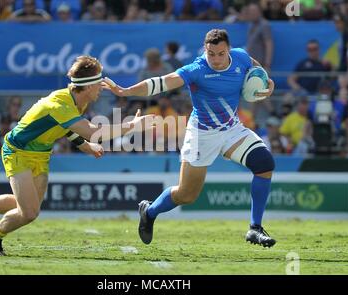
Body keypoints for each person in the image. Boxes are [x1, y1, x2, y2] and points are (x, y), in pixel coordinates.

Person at [0, 55, 153, 255]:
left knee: (28, 205)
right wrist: (131, 126)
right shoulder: (60, 104)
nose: (102, 86)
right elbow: (92, 131)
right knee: (29, 213)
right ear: (88, 86)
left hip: (41, 153)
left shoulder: (78, 100)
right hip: (18, 150)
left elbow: (66, 126)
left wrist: (83, 145)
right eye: (99, 82)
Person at [104, 29, 277, 247]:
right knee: (186, 195)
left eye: (221, 53)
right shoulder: (196, 69)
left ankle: (255, 228)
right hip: (201, 134)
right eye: (211, 53)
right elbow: (162, 82)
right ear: (205, 49)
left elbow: (257, 68)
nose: (215, 59)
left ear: (229, 50)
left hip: (232, 129)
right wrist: (126, 91)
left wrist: (268, 83)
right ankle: (150, 211)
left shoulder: (241, 56)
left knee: (264, 164)